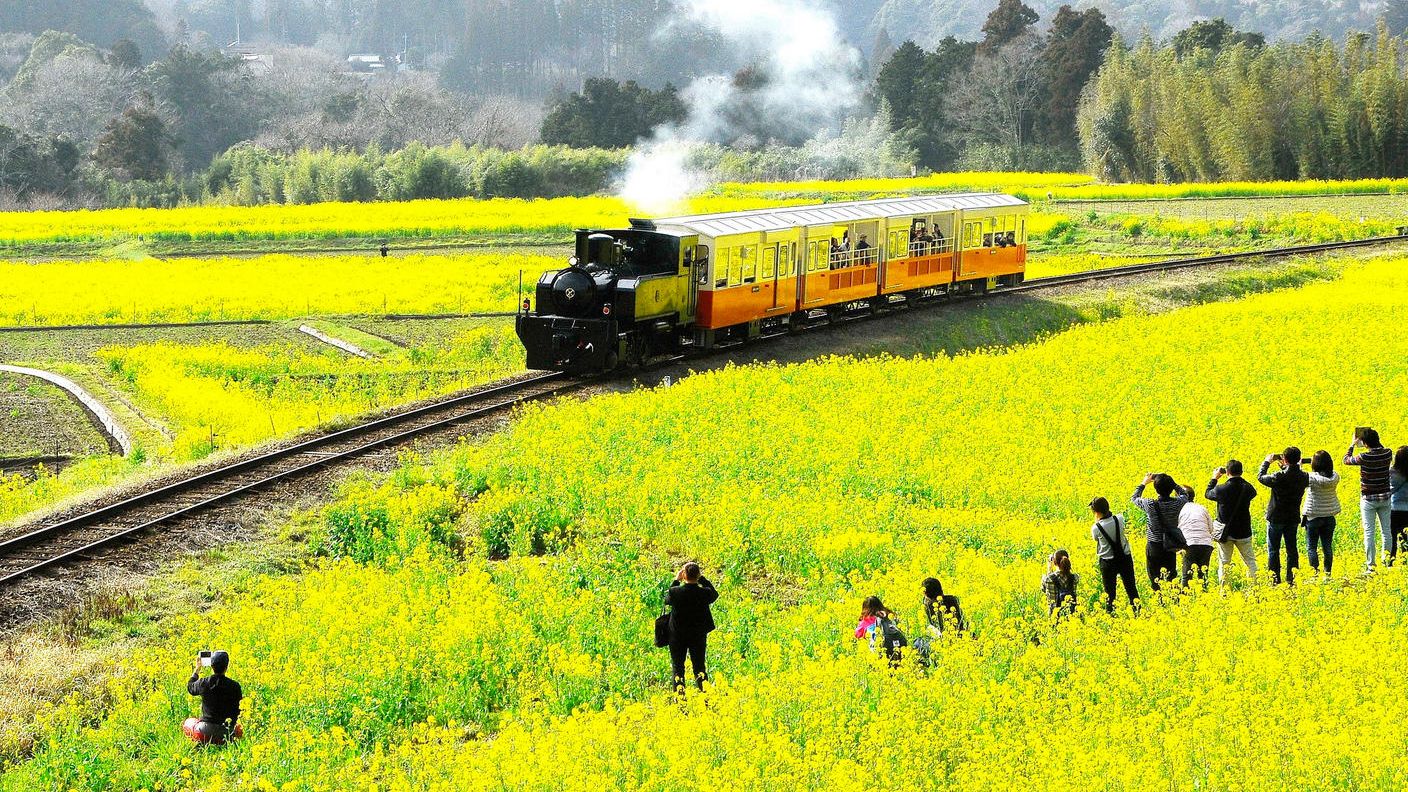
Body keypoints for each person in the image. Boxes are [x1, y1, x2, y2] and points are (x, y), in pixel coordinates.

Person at [664, 562, 718, 693]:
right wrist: (702, 579)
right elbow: (714, 594)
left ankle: (680, 700)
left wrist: (676, 580)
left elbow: (666, 600)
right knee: (699, 667)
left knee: (678, 668)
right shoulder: (704, 593)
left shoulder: (675, 592)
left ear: (684, 575)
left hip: (677, 636)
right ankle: (705, 698)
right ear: (698, 575)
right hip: (697, 636)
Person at [1258, 447, 1309, 585]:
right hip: (1292, 517)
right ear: (1299, 459)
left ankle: (1274, 580)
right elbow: (1295, 475)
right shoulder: (1304, 477)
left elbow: (1261, 477)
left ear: (1285, 460)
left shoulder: (1278, 476)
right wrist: (1288, 467)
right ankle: (1292, 579)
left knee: (1273, 549)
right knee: (1292, 549)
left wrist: (1267, 462)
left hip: (1276, 517)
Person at [1345, 428, 1393, 571]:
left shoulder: (1364, 457)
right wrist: (1370, 440)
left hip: (1368, 499)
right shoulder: (1388, 453)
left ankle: (1371, 565)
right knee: (1386, 531)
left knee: (1369, 532)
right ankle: (1387, 562)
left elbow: (1346, 460)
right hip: (1385, 497)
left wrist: (1352, 444)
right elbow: (1381, 448)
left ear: (1365, 443)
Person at [1131, 473, 1189, 590]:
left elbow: (1134, 498)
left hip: (1154, 545)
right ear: (1171, 487)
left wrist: (1144, 482)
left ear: (1156, 489)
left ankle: (1160, 599)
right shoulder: (1177, 502)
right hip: (1170, 544)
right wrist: (1173, 484)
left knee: (1155, 576)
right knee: (1171, 575)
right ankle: (1174, 600)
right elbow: (1185, 494)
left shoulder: (1150, 504)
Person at [1206, 460, 1259, 585]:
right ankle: (1255, 589)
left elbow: (1208, 493)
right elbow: (1253, 492)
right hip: (1244, 531)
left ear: (1227, 472)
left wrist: (1214, 478)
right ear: (1241, 472)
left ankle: (1224, 592)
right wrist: (1239, 479)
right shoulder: (1247, 488)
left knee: (1224, 563)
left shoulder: (1221, 489)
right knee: (1250, 561)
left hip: (1226, 533)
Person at [183, 651, 243, 746]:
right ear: (226, 667)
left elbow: (190, 687)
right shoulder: (235, 686)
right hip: (227, 734)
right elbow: (240, 710)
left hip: (204, 731)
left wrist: (197, 669)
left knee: (188, 722)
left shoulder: (204, 683)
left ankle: (200, 743)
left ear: (211, 666)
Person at [1089, 497, 1138, 612]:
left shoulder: (1096, 528)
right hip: (1125, 558)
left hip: (1108, 562)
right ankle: (1137, 610)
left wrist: (1097, 522)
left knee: (1109, 593)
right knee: (1131, 588)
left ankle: (1110, 613)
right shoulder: (1120, 518)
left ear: (1096, 513)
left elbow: (1096, 539)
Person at [1303, 450, 1341, 576]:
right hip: (1329, 516)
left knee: (1312, 547)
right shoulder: (1335, 477)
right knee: (1327, 546)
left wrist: (1299, 464)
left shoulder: (1311, 478)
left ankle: (1314, 573)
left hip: (1313, 516)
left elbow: (1300, 476)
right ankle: (1327, 573)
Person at [1177, 486, 1216, 588]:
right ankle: (1204, 599)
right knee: (1203, 576)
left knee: (1187, 576)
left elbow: (1176, 530)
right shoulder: (1202, 508)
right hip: (1206, 545)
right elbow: (1211, 528)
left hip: (1189, 544)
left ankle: (1185, 600)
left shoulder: (1179, 510)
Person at [855, 596, 906, 663]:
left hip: (880, 653)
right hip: (900, 646)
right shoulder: (889, 614)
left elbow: (857, 635)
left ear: (865, 608)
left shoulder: (866, 620)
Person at [1041, 549, 1079, 616]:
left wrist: (1049, 569)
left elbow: (1044, 589)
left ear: (1054, 563)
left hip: (1055, 615)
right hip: (1072, 614)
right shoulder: (1075, 577)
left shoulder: (1048, 578)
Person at [1390, 446, 1408, 565]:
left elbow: (1389, 489)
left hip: (1394, 509)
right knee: (1405, 539)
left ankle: (1390, 562)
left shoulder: (1393, 472)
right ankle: (1405, 563)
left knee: (1391, 538)